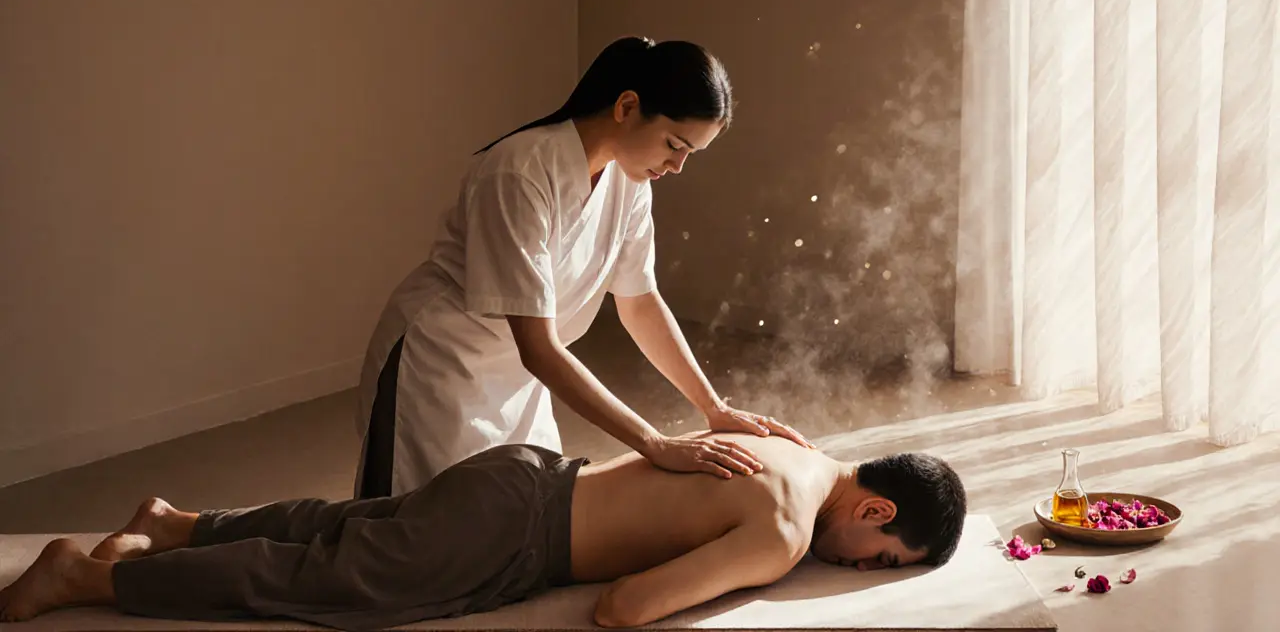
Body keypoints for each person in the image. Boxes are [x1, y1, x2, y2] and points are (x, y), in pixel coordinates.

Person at [354, 35, 813, 499]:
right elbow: (539, 347)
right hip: (439, 364)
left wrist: (712, 408)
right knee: (412, 531)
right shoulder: (519, 171)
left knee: (516, 519)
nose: (677, 166)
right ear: (627, 106)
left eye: (690, 153)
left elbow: (640, 302)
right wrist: (654, 443)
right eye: (675, 145)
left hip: (518, 375)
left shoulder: (630, 182)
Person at [0, 432, 967, 631]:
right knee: (336, 584)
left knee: (351, 523)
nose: (860, 567)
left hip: (529, 470)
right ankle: (85, 581)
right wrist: (753, 577)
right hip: (518, 532)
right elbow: (625, 611)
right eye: (881, 557)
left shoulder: (794, 445)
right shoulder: (788, 528)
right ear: (875, 508)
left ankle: (175, 526)